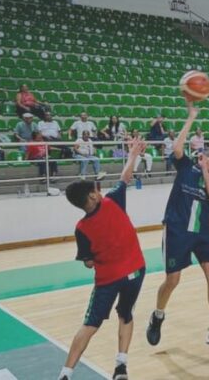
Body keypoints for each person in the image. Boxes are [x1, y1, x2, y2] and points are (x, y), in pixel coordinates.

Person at [145, 101, 209, 348]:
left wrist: (208, 173)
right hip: (177, 230)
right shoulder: (187, 167)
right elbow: (177, 148)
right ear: (203, 157)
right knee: (173, 280)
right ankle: (157, 315)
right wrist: (191, 118)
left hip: (201, 234)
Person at [58, 137, 147, 380]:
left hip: (108, 279)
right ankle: (121, 366)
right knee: (126, 314)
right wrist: (133, 153)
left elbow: (88, 262)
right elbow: (125, 176)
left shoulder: (81, 228)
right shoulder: (113, 200)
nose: (99, 191)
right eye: (96, 189)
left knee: (90, 325)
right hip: (136, 271)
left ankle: (66, 373)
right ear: (93, 196)